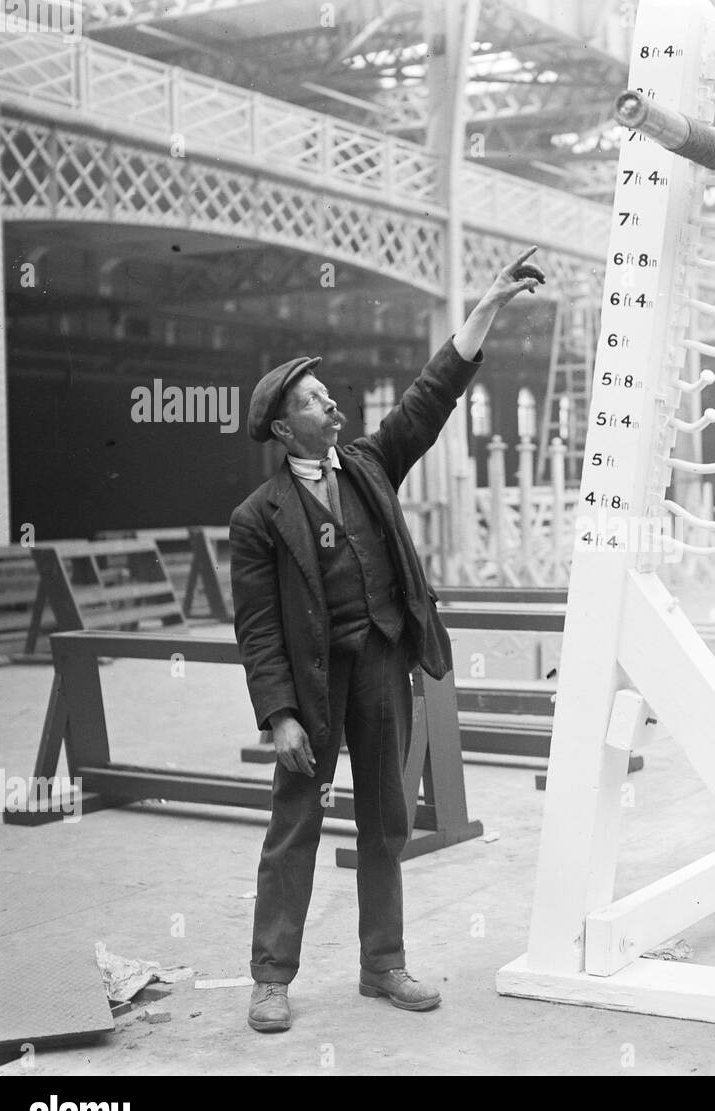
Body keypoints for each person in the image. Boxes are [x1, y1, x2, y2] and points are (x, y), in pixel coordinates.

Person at [230, 247, 545, 1033]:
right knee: (295, 825)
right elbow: (260, 628)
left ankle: (382, 965)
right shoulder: (257, 519)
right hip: (312, 684)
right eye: (314, 401)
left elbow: (430, 397)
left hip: (380, 662)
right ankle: (271, 978)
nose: (333, 408)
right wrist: (281, 716)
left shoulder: (369, 465)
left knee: (387, 822)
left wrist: (488, 308)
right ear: (281, 425)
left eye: (330, 397)